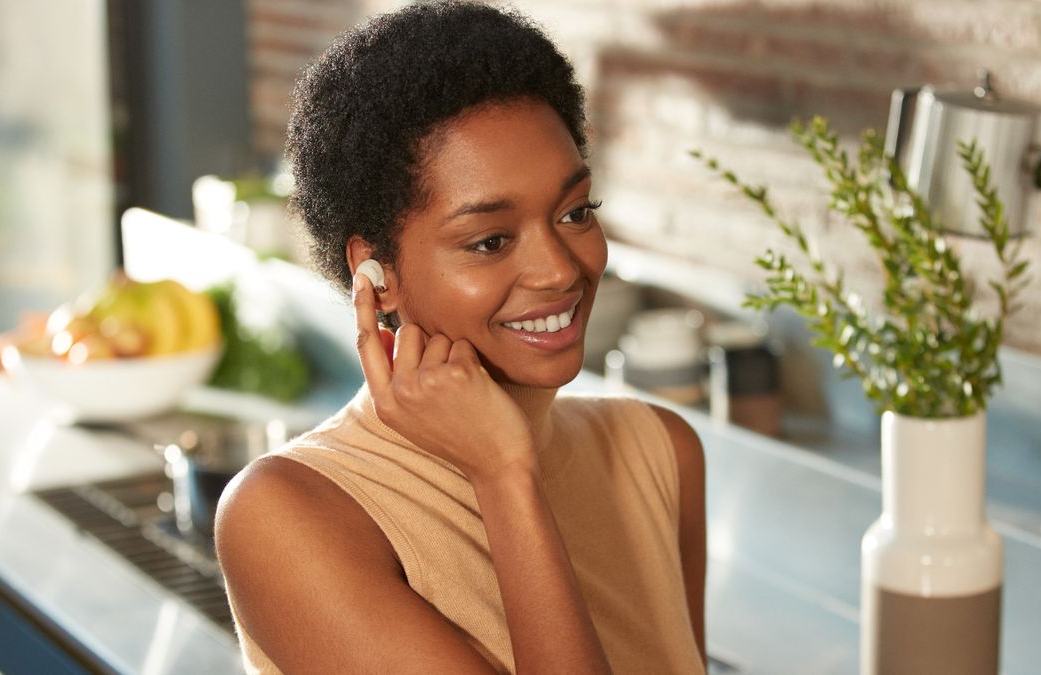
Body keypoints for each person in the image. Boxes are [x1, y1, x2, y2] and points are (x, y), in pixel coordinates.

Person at [215, 3, 707, 673]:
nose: (561, 269)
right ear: (377, 276)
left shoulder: (661, 453)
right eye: (491, 240)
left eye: (575, 211)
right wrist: (504, 473)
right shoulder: (285, 516)